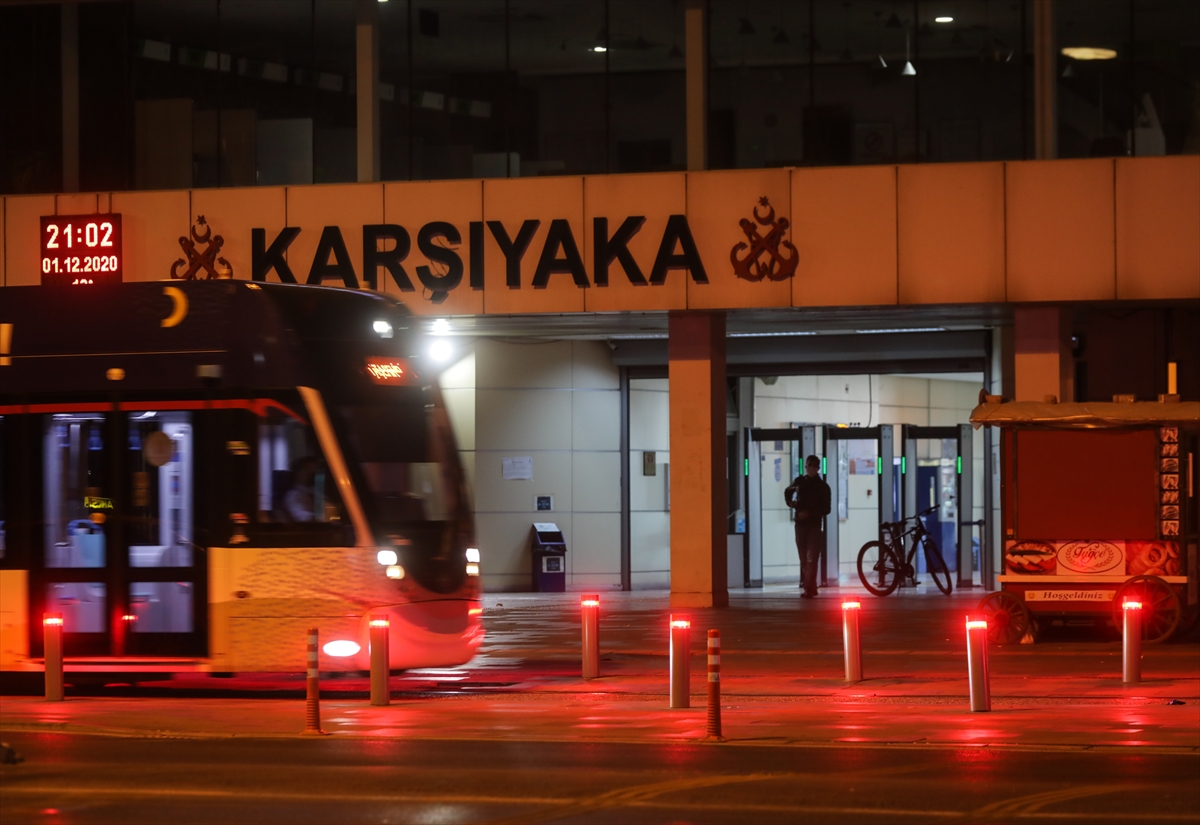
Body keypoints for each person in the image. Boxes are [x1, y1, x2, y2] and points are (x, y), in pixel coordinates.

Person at [784, 455, 831, 598]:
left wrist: (809, 513)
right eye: (809, 465)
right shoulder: (800, 482)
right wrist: (790, 503)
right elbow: (788, 491)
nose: (811, 468)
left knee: (812, 557)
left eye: (813, 466)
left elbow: (826, 509)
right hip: (801, 524)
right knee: (804, 557)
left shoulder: (822, 487)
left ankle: (810, 587)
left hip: (814, 525)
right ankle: (809, 586)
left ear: (817, 468)